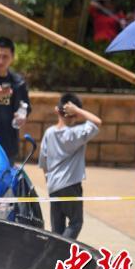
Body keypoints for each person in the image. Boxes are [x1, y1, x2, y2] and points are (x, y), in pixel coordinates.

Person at [38, 94, 103, 240]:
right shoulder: (76, 133)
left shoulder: (49, 133)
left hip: (53, 185)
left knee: (57, 229)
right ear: (75, 115)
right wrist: (78, 110)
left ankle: (55, 258)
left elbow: (44, 162)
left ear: (57, 111)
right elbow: (97, 121)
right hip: (70, 185)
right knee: (75, 222)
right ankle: (64, 251)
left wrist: (49, 182)